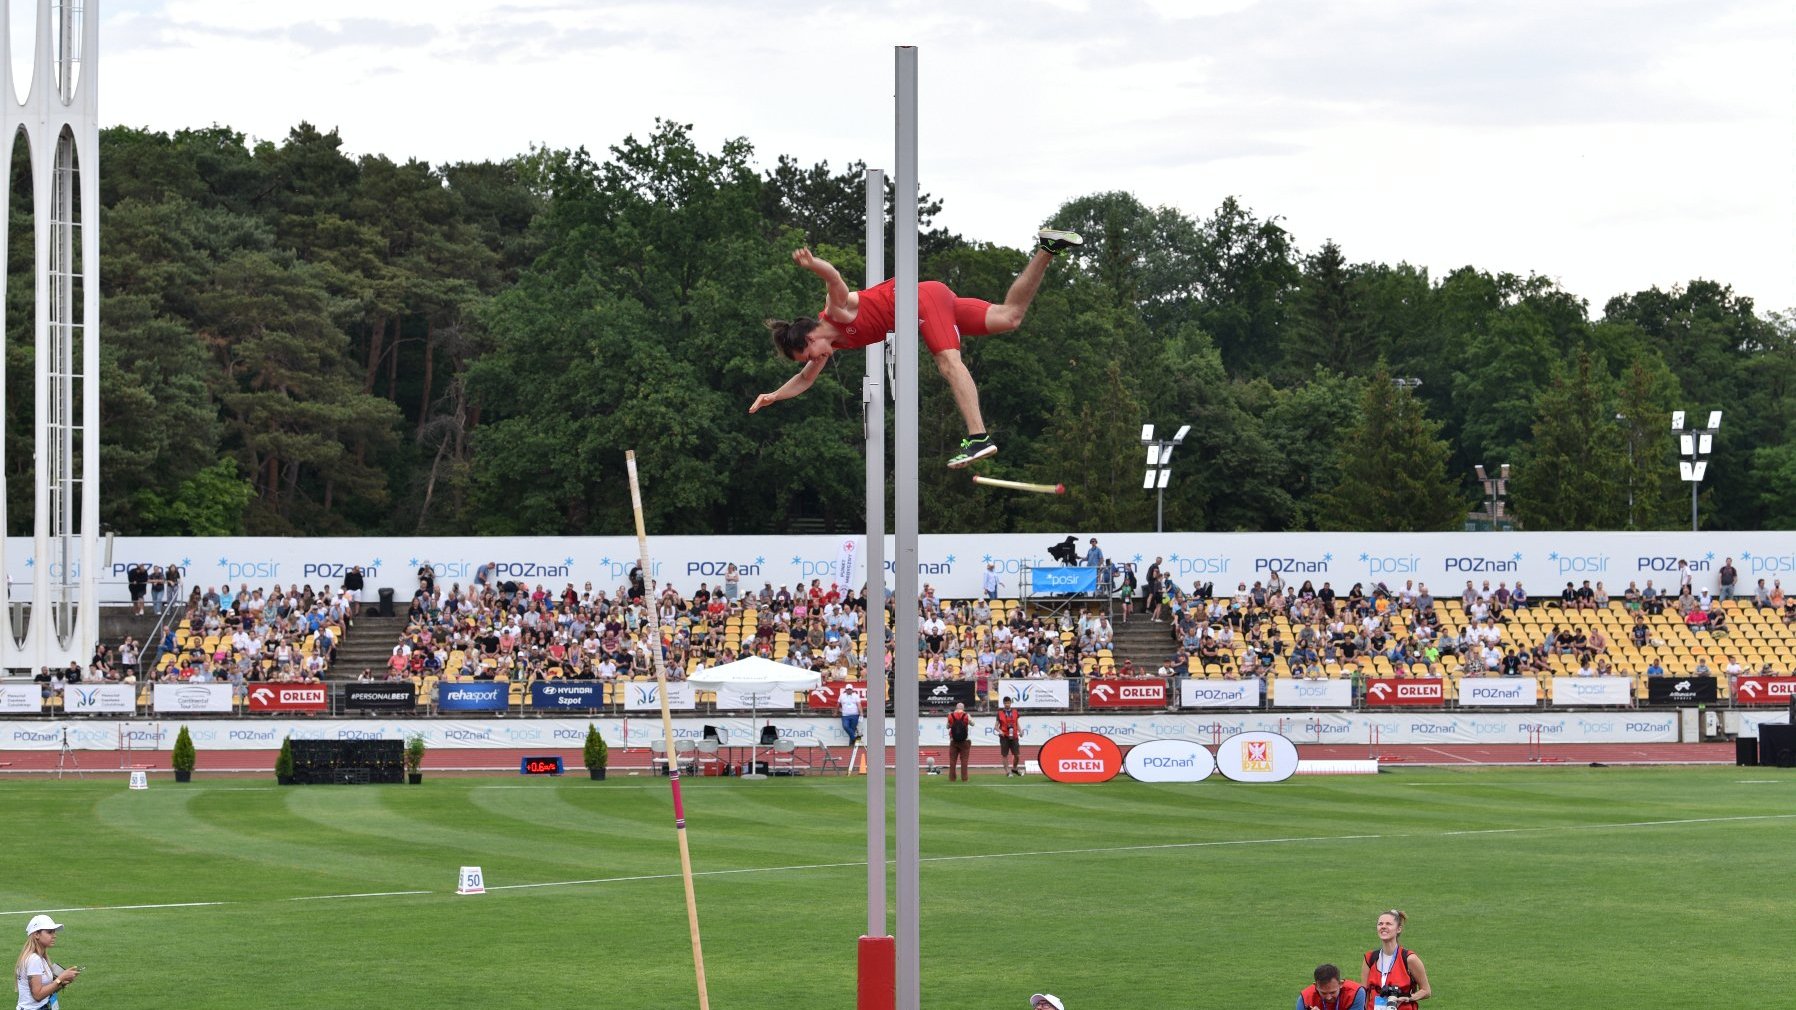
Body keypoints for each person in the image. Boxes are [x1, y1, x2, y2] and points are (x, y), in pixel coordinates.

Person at [752, 228, 1084, 468]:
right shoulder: (832, 344)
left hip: (919, 300)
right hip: (932, 299)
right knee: (1009, 317)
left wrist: (813, 264)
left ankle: (979, 437)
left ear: (811, 337)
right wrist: (774, 395)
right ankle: (1048, 247)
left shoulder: (838, 312)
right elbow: (805, 380)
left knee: (948, 361)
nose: (817, 360)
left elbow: (835, 279)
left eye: (812, 354)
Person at [1363, 909, 1431, 1008]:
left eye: (1388, 924)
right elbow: (1365, 993)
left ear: (1398, 929)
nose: (1383, 927)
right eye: (1380, 924)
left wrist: (1409, 998)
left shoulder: (1409, 959)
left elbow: (1426, 991)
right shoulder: (1370, 958)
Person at [16, 914, 80, 1010]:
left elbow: (45, 991)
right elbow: (38, 995)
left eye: (54, 932)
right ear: (36, 934)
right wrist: (61, 978)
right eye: (50, 932)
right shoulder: (34, 959)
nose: (54, 936)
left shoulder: (40, 957)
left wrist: (62, 982)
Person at [1298, 963, 1366, 1010]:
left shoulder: (1356, 993)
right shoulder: (1305, 998)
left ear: (1341, 984)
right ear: (1316, 986)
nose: (1328, 997)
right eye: (1323, 993)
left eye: (1332, 992)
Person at [995, 696, 1022, 776]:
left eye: (1008, 703)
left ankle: (1014, 768)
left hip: (1014, 736)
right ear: (1003, 703)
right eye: (1006, 703)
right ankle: (1007, 771)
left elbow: (1017, 723)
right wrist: (1000, 731)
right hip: (1004, 737)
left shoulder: (1015, 712)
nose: (1007, 704)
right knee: (1004, 754)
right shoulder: (999, 713)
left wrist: (1020, 731)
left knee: (1017, 755)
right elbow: (996, 726)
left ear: (1011, 703)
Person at [945, 701, 973, 781]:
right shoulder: (966, 715)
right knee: (964, 760)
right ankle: (964, 778)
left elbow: (947, 726)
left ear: (956, 708)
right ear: (963, 708)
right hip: (965, 740)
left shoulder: (950, 715)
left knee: (952, 760)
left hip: (953, 740)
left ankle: (952, 778)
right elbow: (973, 724)